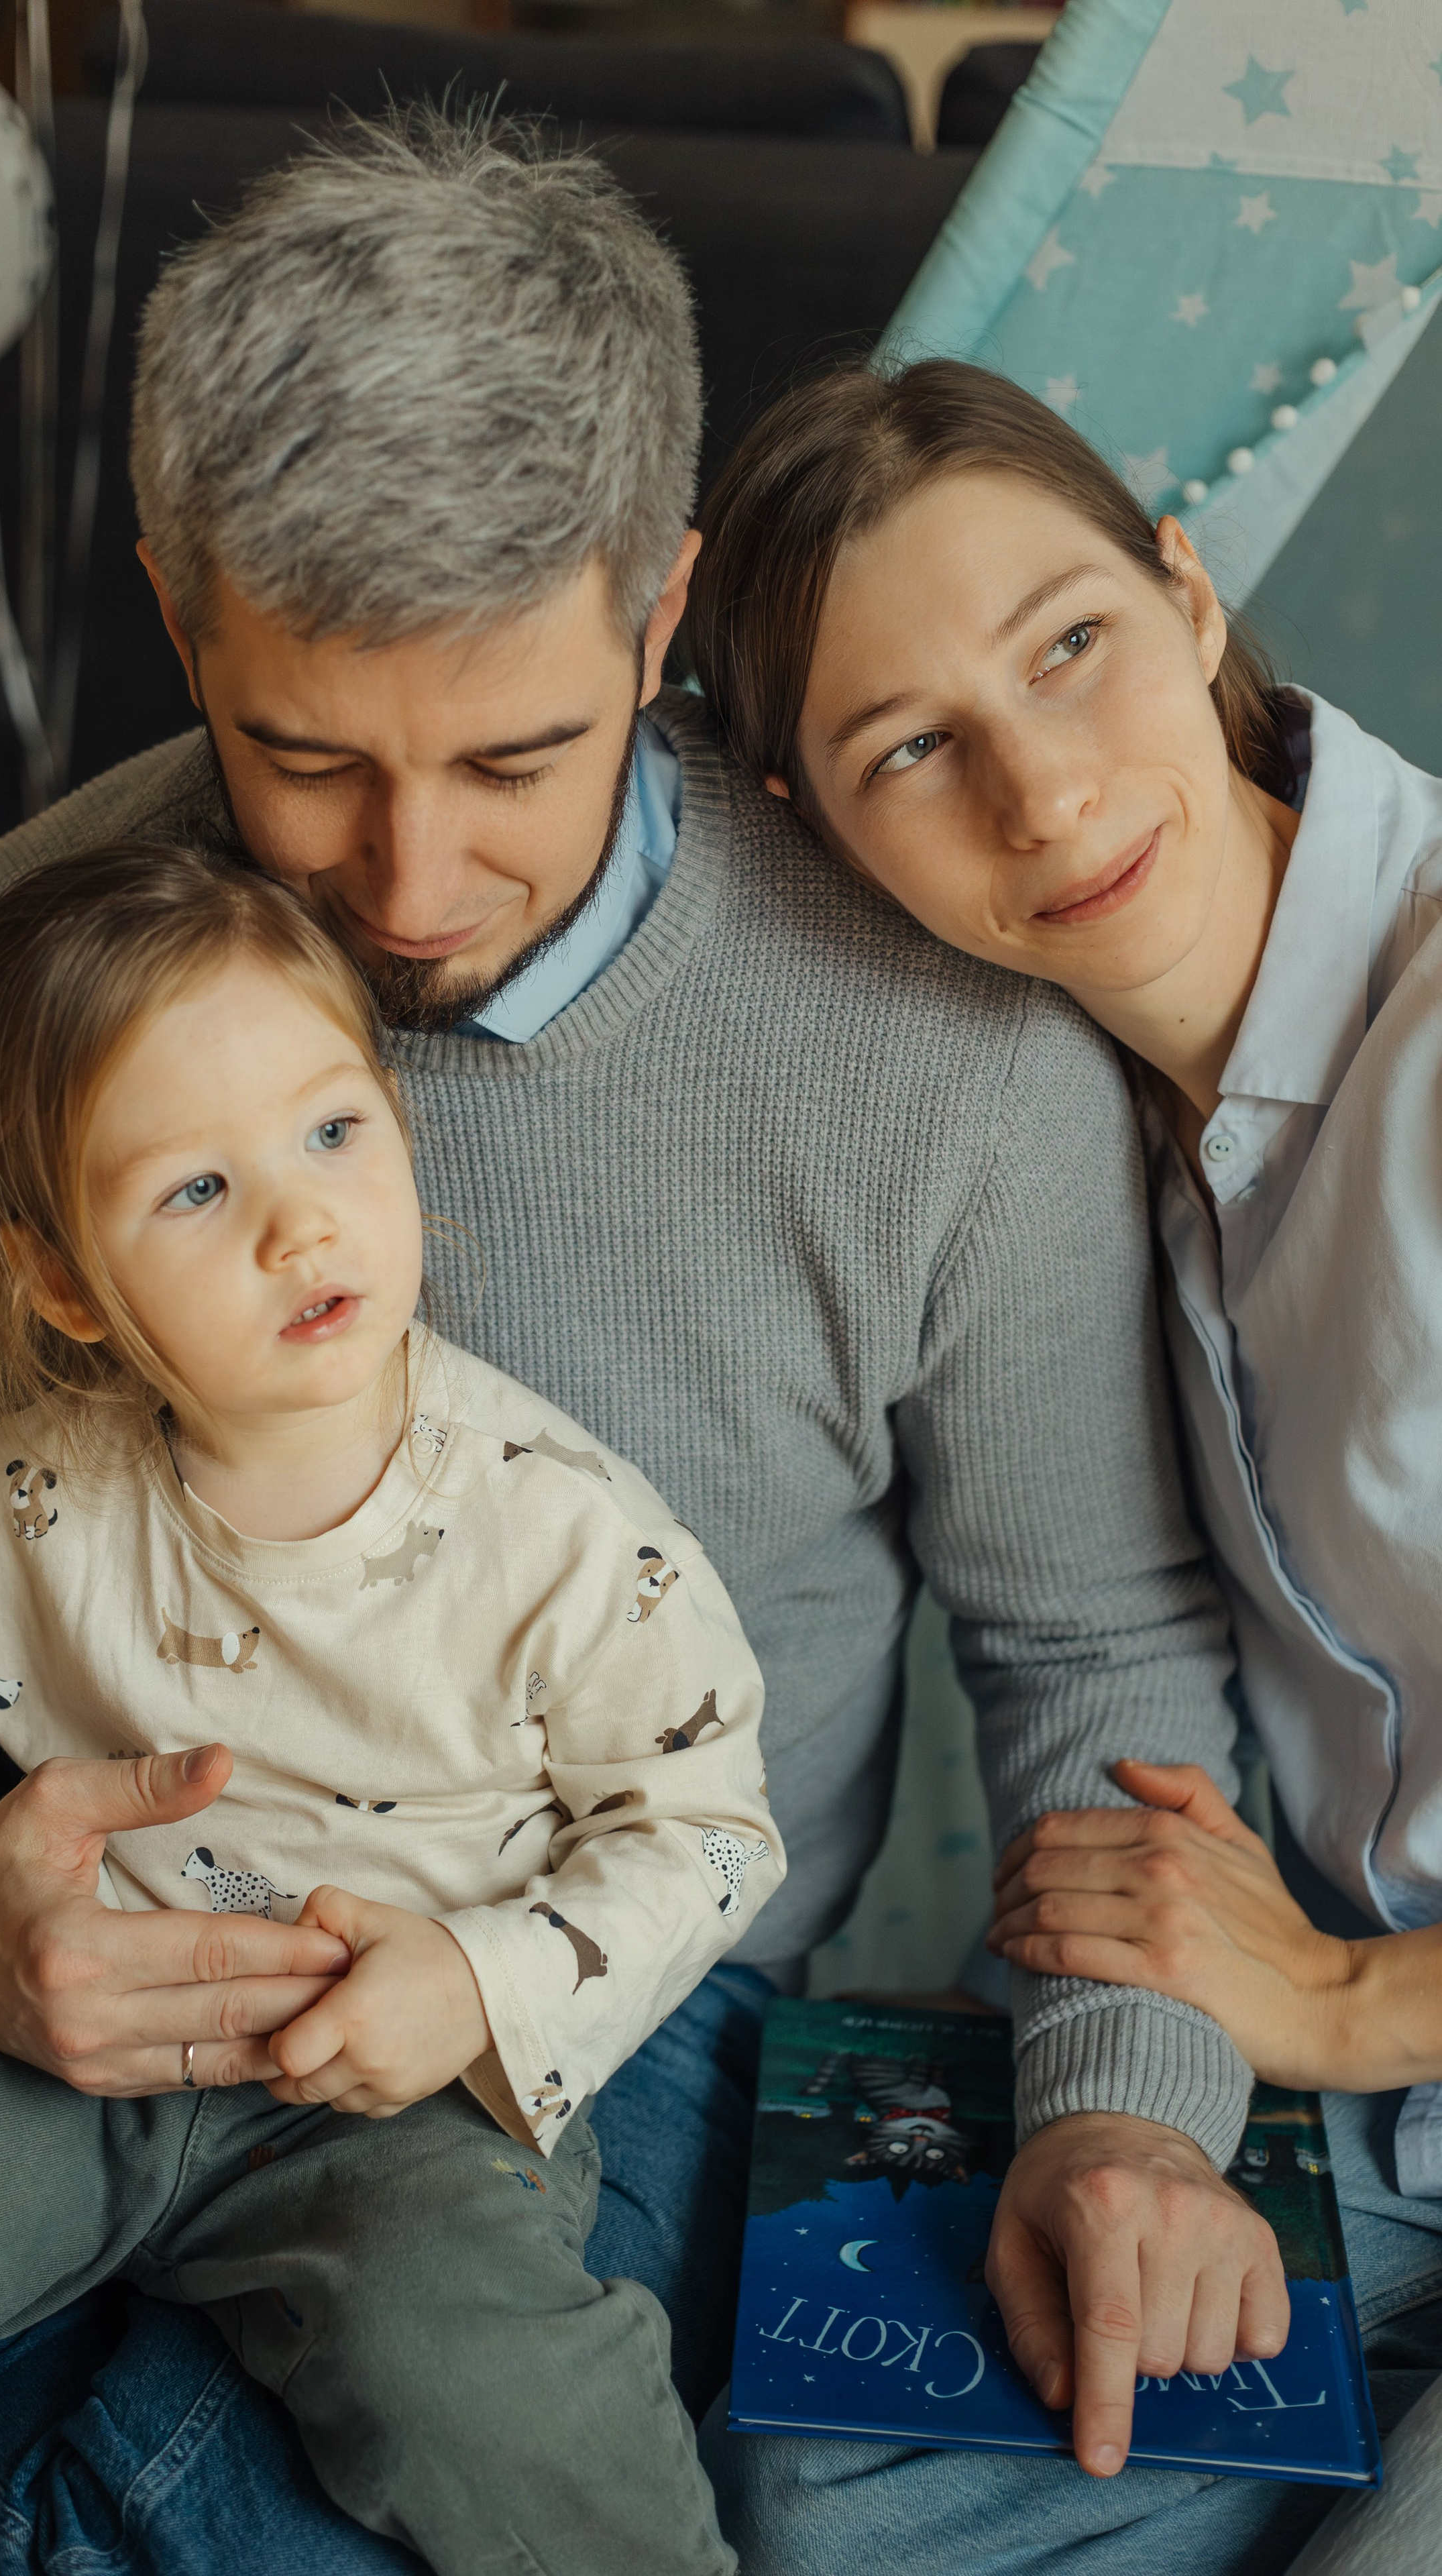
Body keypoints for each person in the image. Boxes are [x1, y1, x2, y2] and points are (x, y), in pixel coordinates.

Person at [0, 115, 1266, 2575]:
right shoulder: (22, 961)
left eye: (516, 762)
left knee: (241, 2526)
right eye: (304, 760)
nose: (408, 892)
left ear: (659, 613)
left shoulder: (940, 1047)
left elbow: (1094, 1637)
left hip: (587, 2011)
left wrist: (1125, 2110)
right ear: (177, 608)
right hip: (22, 1953)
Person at [0, 842, 772, 2576]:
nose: (300, 1219)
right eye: (194, 1193)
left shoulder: (562, 1538)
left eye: (334, 1133)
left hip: (396, 2095)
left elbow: (711, 1834)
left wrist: (479, 1988)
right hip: (72, 2041)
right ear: (65, 1281)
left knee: (490, 2406)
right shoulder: (35, 1505)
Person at [687, 352, 1442, 2575]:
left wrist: (1341, 1997)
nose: (1037, 795)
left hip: (1377, 2031)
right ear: (810, 834)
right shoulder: (1069, 1133)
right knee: (824, 2480)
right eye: (909, 749)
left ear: (1192, 599)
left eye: (1072, 648)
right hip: (1376, 2134)